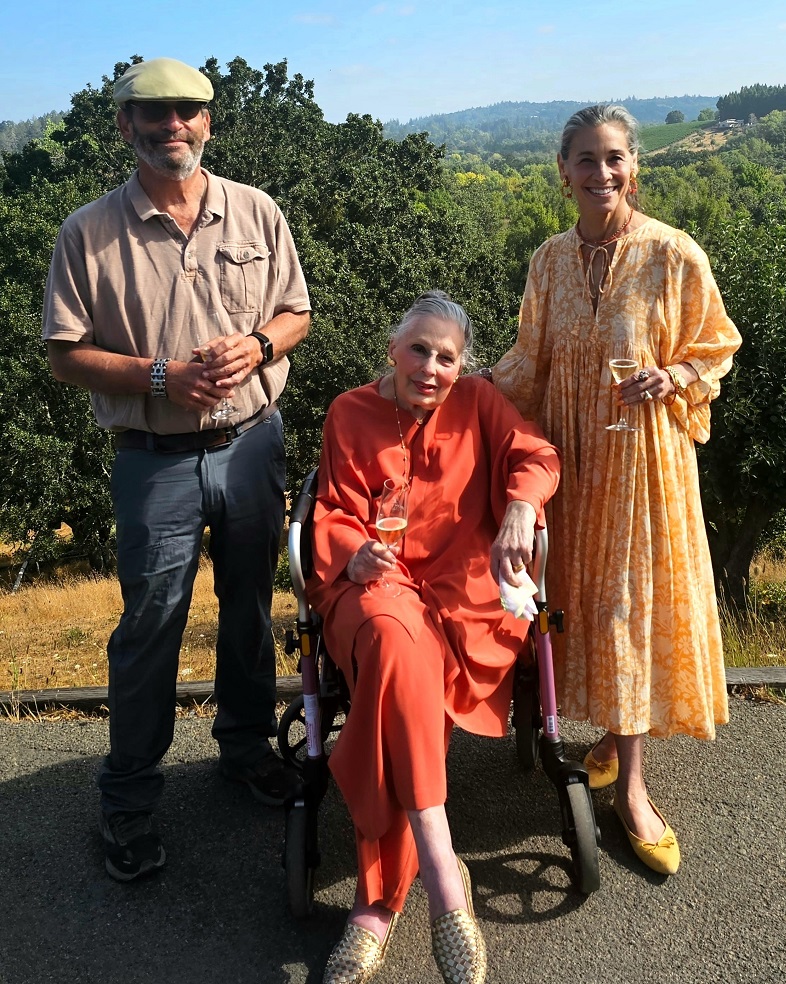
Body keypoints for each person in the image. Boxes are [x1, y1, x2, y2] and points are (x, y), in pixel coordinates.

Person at [42, 58, 311, 881]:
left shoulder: (255, 210)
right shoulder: (87, 231)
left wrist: (258, 345)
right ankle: (128, 798)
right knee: (152, 624)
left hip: (252, 444)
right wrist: (161, 376)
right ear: (124, 125)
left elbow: (297, 313)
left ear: (208, 121)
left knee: (250, 609)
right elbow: (64, 354)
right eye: (154, 113)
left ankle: (245, 751)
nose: (173, 125)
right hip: (152, 458)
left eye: (188, 111)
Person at [493, 104, 742, 876]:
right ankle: (608, 736)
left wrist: (675, 374)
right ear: (562, 171)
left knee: (629, 611)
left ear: (633, 166)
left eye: (613, 158)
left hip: (642, 466)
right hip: (571, 464)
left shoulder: (672, 252)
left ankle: (632, 791)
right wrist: (446, 393)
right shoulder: (547, 260)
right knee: (587, 607)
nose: (600, 172)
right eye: (585, 159)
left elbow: (718, 342)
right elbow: (526, 362)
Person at [307, 291, 560, 984]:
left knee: (402, 677)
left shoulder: (478, 402)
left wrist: (519, 506)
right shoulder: (348, 412)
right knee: (393, 640)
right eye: (418, 349)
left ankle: (375, 907)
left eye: (446, 357)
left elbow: (537, 455)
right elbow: (331, 510)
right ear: (392, 349)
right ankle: (445, 877)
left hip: (460, 595)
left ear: (461, 366)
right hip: (374, 587)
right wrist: (353, 551)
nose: (430, 367)